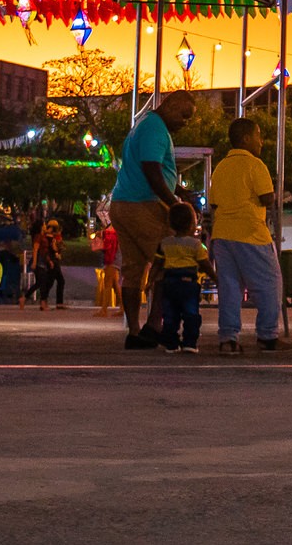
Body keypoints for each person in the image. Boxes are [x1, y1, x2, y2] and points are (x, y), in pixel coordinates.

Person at [110, 90, 197, 349]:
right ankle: (154, 326)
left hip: (123, 203)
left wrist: (178, 190)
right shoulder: (155, 129)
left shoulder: (145, 124)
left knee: (133, 270)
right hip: (143, 206)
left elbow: (151, 167)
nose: (185, 122)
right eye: (184, 115)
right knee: (168, 263)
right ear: (169, 106)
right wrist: (174, 203)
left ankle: (134, 331)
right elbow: (151, 169)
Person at [208, 117, 283, 354]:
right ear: (246, 138)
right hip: (250, 233)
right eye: (258, 135)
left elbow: (214, 202)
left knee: (230, 288)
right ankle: (267, 335)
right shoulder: (255, 165)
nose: (261, 142)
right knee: (270, 284)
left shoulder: (221, 167)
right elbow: (267, 198)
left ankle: (228, 338)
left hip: (222, 235)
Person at [153, 202, 213, 353]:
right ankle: (189, 342)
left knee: (170, 314)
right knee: (191, 314)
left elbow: (157, 264)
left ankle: (172, 343)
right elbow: (204, 264)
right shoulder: (196, 245)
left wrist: (149, 280)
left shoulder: (165, 243)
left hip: (169, 282)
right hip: (188, 284)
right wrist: (216, 278)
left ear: (170, 223)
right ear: (192, 224)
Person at [30, 218, 66, 310]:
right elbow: (40, 249)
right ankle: (45, 301)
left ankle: (50, 301)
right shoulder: (45, 237)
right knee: (48, 282)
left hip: (51, 260)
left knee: (49, 282)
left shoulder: (50, 237)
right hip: (51, 261)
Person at [91, 220, 121, 316]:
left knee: (108, 284)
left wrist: (102, 234)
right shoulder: (116, 229)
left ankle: (104, 310)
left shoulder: (112, 230)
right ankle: (124, 308)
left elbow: (109, 245)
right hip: (115, 259)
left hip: (112, 260)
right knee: (114, 285)